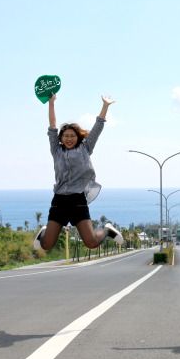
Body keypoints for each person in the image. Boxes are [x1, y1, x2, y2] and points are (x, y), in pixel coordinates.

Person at [34, 94, 123, 250]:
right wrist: (51, 103)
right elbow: (52, 126)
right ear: (61, 138)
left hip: (78, 201)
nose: (69, 139)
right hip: (59, 201)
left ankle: (107, 230)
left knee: (92, 243)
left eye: (72, 136)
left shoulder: (85, 148)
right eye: (66, 136)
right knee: (46, 245)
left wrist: (105, 107)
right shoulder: (56, 150)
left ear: (78, 137)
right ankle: (44, 233)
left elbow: (97, 128)